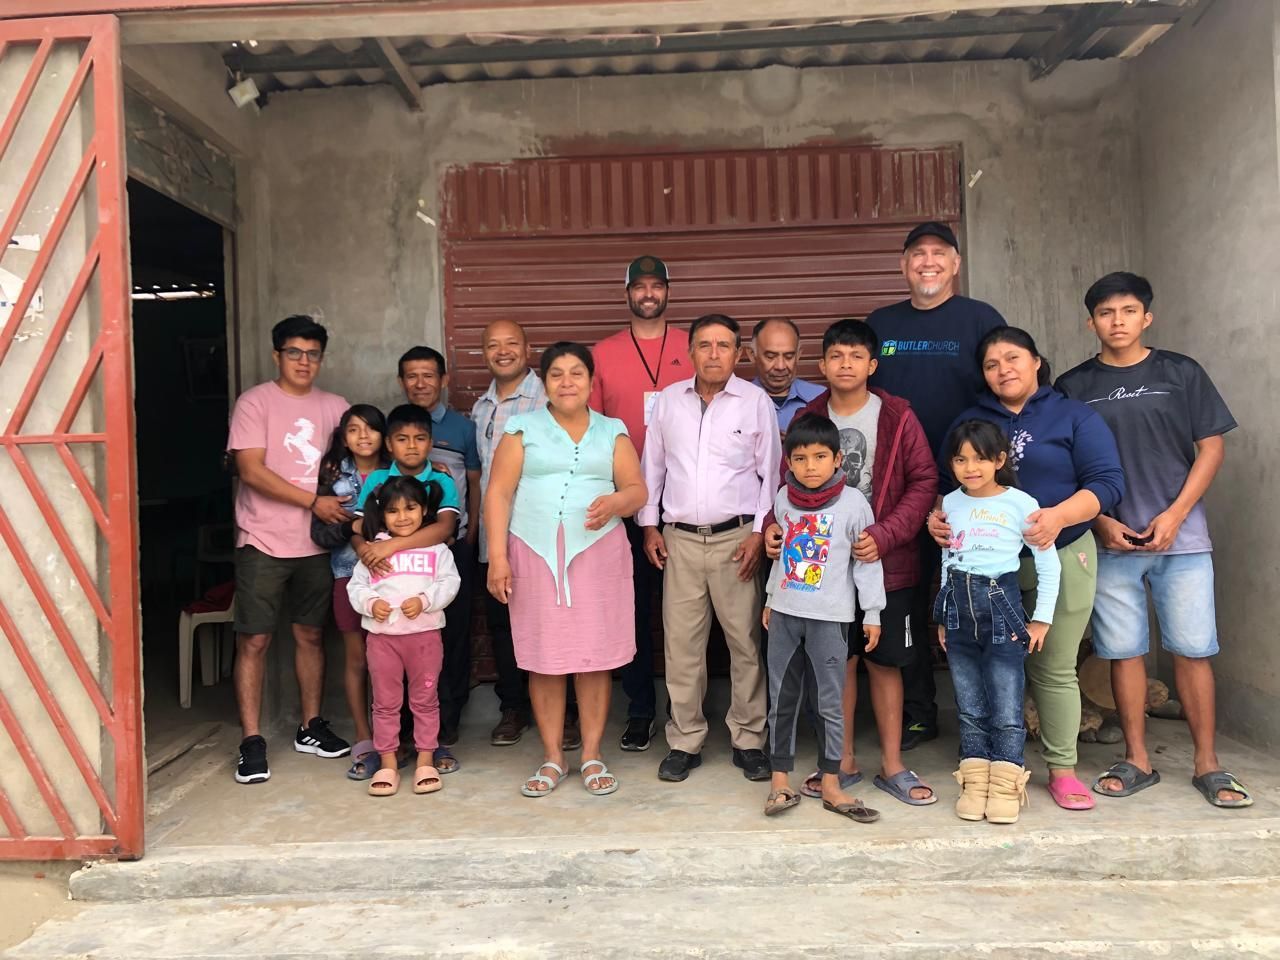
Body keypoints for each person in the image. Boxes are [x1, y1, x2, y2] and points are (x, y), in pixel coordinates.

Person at [1057, 272, 1251, 808]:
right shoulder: (1074, 386)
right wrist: (1100, 521)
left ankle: (1207, 763)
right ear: (1091, 322)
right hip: (1111, 540)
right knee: (1123, 652)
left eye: (1128, 311)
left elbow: (1211, 448)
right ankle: (1137, 759)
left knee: (1193, 649)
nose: (1116, 321)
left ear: (1147, 317)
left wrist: (1176, 515)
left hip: (1182, 539)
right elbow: (1065, 465)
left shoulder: (1181, 372)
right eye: (1105, 313)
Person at [929, 327, 1124, 811]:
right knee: (989, 671)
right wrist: (937, 519)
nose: (1003, 370)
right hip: (986, 571)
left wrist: (1059, 517)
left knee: (1053, 666)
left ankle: (1062, 770)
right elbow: (945, 486)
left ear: (1037, 361)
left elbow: (1107, 482)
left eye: (1013, 358)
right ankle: (987, 769)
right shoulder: (970, 421)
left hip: (1061, 553)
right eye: (991, 364)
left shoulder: (1073, 415)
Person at [765, 319, 938, 806]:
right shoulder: (809, 416)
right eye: (836, 356)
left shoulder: (897, 415)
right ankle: (839, 763)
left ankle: (893, 764)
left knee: (885, 662)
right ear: (822, 365)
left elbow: (924, 480)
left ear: (872, 365)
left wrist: (885, 535)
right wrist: (772, 528)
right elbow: (784, 484)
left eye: (856, 356)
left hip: (885, 561)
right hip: (819, 571)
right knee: (837, 665)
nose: (846, 365)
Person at [867, 221, 1006, 751]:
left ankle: (989, 719)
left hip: (967, 489)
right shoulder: (882, 323)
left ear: (955, 264)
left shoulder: (980, 319)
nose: (928, 262)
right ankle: (918, 712)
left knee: (972, 600)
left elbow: (1000, 390)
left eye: (939, 253)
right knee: (902, 601)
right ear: (903, 265)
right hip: (896, 495)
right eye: (917, 254)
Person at [485, 342, 647, 798]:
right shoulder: (521, 430)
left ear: (592, 381)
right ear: (545, 383)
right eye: (556, 374)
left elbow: (637, 489)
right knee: (546, 658)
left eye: (577, 373)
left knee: (594, 656)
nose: (567, 382)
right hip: (534, 552)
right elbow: (498, 494)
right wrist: (497, 556)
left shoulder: (612, 431)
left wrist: (617, 501)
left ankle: (592, 754)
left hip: (598, 554)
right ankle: (553, 757)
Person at [640, 314, 781, 783]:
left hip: (737, 540)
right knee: (682, 646)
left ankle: (749, 739)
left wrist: (759, 534)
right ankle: (685, 740)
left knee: (745, 642)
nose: (714, 354)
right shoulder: (668, 402)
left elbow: (770, 474)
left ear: (739, 353)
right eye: (705, 345)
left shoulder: (755, 403)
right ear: (691, 352)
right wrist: (650, 526)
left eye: (724, 345)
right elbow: (652, 467)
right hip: (679, 540)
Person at [226, 314, 352, 785]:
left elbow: (359, 457)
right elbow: (250, 470)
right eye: (294, 352)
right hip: (262, 538)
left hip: (318, 544)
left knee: (311, 636)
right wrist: (312, 502)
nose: (304, 361)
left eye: (313, 354)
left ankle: (310, 726)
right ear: (276, 355)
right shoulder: (254, 402)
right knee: (255, 640)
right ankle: (251, 740)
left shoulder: (336, 407)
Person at [936, 420, 1060, 824]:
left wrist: (1041, 619)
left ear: (1000, 460)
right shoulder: (950, 503)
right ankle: (975, 782)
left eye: (980, 458)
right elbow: (948, 558)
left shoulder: (1021, 503)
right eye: (960, 459)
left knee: (1006, 701)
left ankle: (1006, 785)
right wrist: (943, 615)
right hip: (957, 608)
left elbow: (1048, 562)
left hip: (1001, 606)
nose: (970, 468)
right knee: (969, 702)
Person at [762, 413, 884, 824]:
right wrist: (769, 598)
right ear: (789, 462)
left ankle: (832, 782)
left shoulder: (854, 504)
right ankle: (780, 780)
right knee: (781, 699)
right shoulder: (783, 498)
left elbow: (867, 562)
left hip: (830, 618)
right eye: (800, 458)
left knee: (830, 703)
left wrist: (872, 612)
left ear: (837, 460)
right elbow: (781, 556)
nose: (810, 467)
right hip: (785, 614)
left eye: (819, 457)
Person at [589, 255, 690, 751]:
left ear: (668, 290)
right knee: (633, 609)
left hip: (687, 498)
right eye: (640, 286)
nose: (648, 294)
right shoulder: (602, 353)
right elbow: (589, 429)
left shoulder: (693, 345)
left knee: (687, 613)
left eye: (656, 285)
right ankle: (640, 709)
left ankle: (686, 710)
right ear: (626, 292)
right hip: (625, 501)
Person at [351, 404, 461, 769]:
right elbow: (358, 528)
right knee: (387, 689)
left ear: (431, 441)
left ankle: (434, 744)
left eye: (419, 438)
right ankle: (392, 748)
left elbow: (444, 529)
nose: (411, 446)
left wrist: (390, 547)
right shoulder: (378, 480)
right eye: (401, 438)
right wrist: (367, 552)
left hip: (427, 605)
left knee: (433, 679)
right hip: (385, 617)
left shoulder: (440, 481)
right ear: (389, 443)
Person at [396, 346, 481, 760]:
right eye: (412, 376)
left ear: (444, 380)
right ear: (401, 382)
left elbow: (475, 483)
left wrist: (471, 534)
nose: (420, 383)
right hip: (400, 559)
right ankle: (406, 725)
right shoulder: (394, 425)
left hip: (452, 548)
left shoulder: (463, 428)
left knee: (453, 634)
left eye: (428, 375)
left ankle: (448, 719)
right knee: (405, 634)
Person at [471, 320, 545, 747]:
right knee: (503, 626)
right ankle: (513, 707)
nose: (503, 351)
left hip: (538, 535)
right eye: (493, 345)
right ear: (483, 353)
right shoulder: (481, 407)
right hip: (493, 537)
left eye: (511, 343)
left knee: (551, 624)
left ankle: (567, 712)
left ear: (527, 348)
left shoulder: (547, 398)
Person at [310, 404, 389, 780]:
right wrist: (351, 528)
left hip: (393, 577)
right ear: (343, 436)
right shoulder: (332, 475)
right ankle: (363, 735)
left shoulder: (395, 471)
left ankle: (393, 734)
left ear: (383, 435)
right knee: (357, 658)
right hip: (346, 574)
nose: (363, 436)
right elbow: (320, 533)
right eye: (353, 429)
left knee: (387, 660)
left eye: (370, 428)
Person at [750, 317, 824, 432]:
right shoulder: (737, 402)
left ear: (798, 355)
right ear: (752, 355)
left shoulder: (821, 397)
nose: (780, 366)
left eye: (789, 357)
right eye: (770, 357)